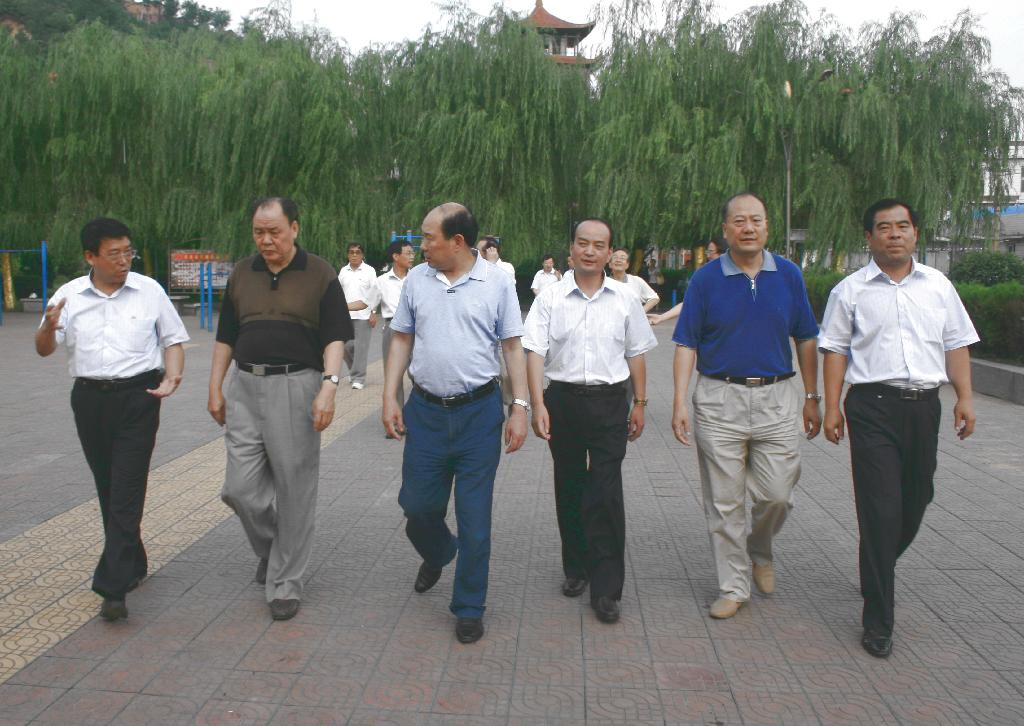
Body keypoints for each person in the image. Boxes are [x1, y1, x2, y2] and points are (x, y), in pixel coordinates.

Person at [819, 198, 979, 658]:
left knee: (917, 498)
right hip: (872, 406)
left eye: (902, 226)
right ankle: (878, 620)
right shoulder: (850, 290)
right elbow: (835, 350)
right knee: (880, 508)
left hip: (924, 408)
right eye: (884, 227)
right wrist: (832, 407)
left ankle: (876, 561)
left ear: (915, 234)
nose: (894, 234)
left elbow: (956, 343)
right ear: (869, 237)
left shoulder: (938, 286)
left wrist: (965, 396)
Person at [382, 203, 528, 644]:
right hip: (425, 412)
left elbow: (513, 347)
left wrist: (519, 407)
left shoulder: (497, 282)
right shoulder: (416, 281)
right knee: (417, 506)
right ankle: (439, 551)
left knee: (474, 518)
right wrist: (389, 395)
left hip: (478, 414)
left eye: (429, 238)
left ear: (457, 242)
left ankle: (469, 605)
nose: (420, 245)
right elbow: (402, 338)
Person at [671, 192, 821, 620]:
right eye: (739, 221)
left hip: (778, 397)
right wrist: (679, 400)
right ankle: (734, 586)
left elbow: (806, 337)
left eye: (756, 219)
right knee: (725, 502)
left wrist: (812, 397)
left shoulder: (788, 275)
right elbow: (686, 343)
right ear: (726, 229)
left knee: (778, 496)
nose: (748, 227)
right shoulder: (705, 280)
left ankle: (760, 547)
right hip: (719, 398)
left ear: (767, 226)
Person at [35, 217, 189, 622]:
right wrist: (48, 327)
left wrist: (173, 376)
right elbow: (44, 348)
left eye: (128, 252)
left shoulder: (149, 291)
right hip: (89, 400)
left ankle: (113, 587)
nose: (123, 261)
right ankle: (133, 560)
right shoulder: (69, 295)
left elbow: (173, 339)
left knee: (127, 484)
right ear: (91, 256)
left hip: (139, 397)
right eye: (114, 254)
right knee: (108, 485)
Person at [208, 196, 353, 621]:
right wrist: (215, 387)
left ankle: (286, 583)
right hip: (244, 387)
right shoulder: (242, 273)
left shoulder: (320, 273)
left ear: (295, 228)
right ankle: (275, 549)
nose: (266, 240)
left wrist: (329, 387)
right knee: (238, 489)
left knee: (294, 489)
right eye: (259, 232)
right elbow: (225, 336)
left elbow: (335, 336)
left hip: (297, 385)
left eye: (274, 231)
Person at [524, 219, 657, 624]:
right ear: (571, 249)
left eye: (599, 245)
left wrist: (640, 403)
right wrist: (536, 403)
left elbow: (636, 352)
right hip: (562, 401)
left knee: (605, 490)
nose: (590, 251)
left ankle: (607, 587)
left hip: (610, 402)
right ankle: (576, 567)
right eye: (583, 243)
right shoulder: (550, 297)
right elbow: (534, 351)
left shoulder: (625, 298)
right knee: (569, 484)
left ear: (609, 252)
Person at [376, 239, 415, 413]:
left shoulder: (418, 278)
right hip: (393, 327)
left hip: (416, 327)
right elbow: (369, 302)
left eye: (413, 253)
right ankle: (396, 415)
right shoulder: (381, 281)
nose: (412, 256)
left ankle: (420, 414)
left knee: (420, 373)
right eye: (408, 253)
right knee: (394, 375)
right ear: (396, 256)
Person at [648, 238, 726, 326]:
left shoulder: (736, 276)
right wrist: (662, 317)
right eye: (707, 252)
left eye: (711, 251)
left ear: (722, 253)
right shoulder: (705, 277)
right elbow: (689, 302)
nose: (708, 256)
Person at [338, 242, 378, 390]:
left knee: (360, 348)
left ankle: (359, 378)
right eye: (351, 252)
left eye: (357, 252)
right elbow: (338, 292)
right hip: (345, 316)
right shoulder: (343, 271)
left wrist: (373, 312)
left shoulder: (369, 271)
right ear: (348, 254)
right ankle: (353, 371)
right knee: (345, 347)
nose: (354, 255)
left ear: (362, 255)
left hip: (364, 315)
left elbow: (375, 292)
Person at [608, 247, 660, 313]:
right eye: (615, 257)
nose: (618, 260)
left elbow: (654, 298)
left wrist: (641, 312)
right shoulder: (603, 283)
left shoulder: (636, 281)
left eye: (622, 258)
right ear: (610, 264)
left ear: (627, 265)